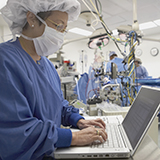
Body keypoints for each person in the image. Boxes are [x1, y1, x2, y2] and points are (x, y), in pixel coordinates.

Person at [0, 0, 107, 160]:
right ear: (32, 19)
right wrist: (73, 137)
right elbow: (17, 131)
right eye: (58, 26)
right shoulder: (5, 60)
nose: (61, 34)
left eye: (64, 29)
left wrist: (77, 120)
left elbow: (58, 104)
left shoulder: (47, 65)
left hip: (49, 151)